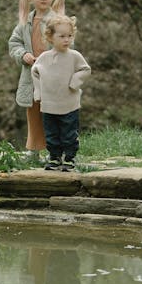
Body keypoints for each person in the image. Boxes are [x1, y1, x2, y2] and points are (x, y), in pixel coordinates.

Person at [7, 0, 66, 163]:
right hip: (31, 78)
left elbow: (67, 45)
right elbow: (14, 43)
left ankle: (54, 150)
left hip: (52, 77)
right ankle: (33, 151)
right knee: (33, 113)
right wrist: (22, 54)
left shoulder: (58, 21)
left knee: (52, 113)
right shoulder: (25, 22)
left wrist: (52, 58)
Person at [31, 14, 90, 171]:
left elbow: (85, 70)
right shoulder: (44, 58)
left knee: (69, 133)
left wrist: (74, 82)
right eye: (62, 36)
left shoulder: (74, 56)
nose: (67, 40)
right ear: (50, 37)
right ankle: (54, 157)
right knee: (51, 134)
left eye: (70, 36)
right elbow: (35, 72)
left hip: (69, 104)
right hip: (49, 105)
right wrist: (38, 92)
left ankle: (70, 158)